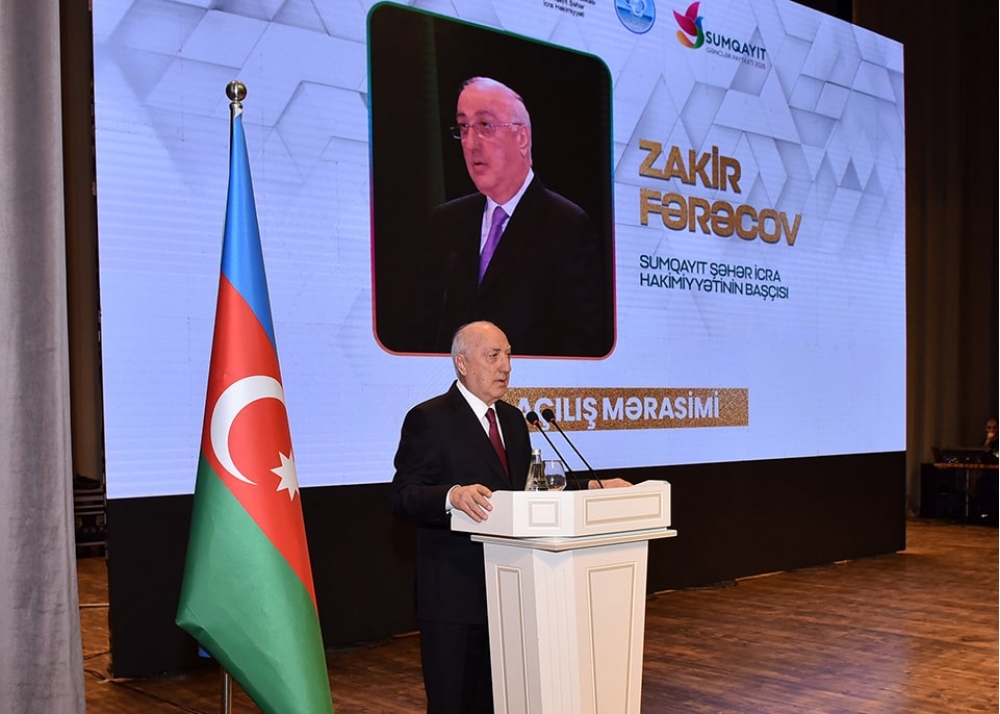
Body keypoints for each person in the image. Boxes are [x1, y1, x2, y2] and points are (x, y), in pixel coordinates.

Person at [390, 321, 626, 713]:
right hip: (455, 597)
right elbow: (403, 497)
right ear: (462, 363)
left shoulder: (514, 420)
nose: (506, 366)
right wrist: (451, 495)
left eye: (509, 355)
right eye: (493, 356)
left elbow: (530, 490)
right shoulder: (430, 418)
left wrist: (591, 487)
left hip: (512, 591)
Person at [408, 77, 612, 358]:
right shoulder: (447, 222)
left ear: (521, 138)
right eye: (463, 127)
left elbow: (581, 344)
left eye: (485, 125)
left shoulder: (567, 226)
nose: (470, 143)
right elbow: (420, 331)